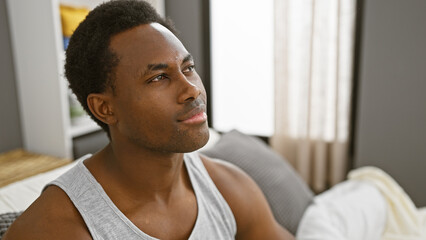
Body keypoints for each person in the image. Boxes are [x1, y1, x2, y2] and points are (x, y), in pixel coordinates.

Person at [4, 1, 294, 239]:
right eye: (158, 78)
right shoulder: (58, 227)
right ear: (104, 108)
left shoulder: (229, 188)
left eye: (188, 67)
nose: (192, 89)